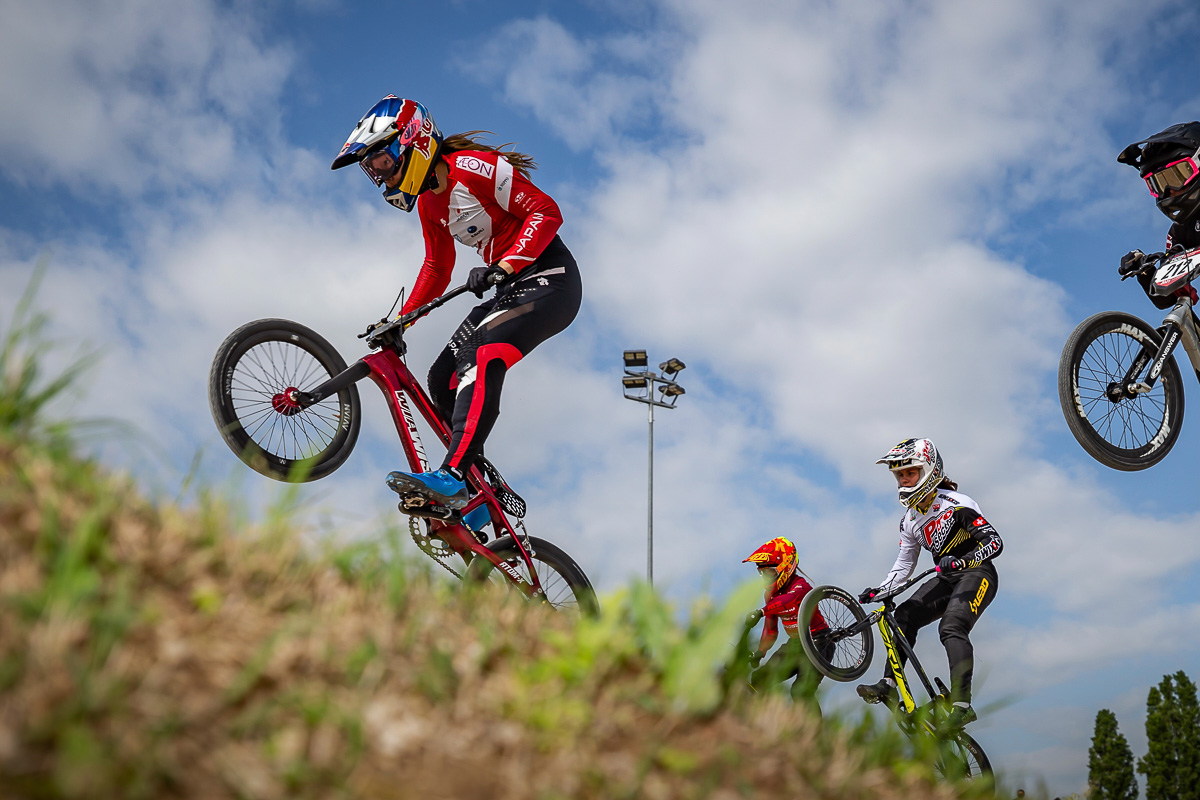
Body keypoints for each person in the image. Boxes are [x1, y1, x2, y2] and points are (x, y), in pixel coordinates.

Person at [331, 96, 582, 514]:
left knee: (479, 354)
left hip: (549, 278)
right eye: (371, 168)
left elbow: (546, 211)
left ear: (412, 139)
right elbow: (436, 268)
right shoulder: (429, 203)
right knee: (442, 377)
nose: (379, 173)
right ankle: (476, 491)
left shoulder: (473, 167)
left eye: (381, 160)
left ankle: (451, 476)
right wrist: (401, 323)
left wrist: (505, 264)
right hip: (510, 285)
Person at [855, 438, 1002, 730]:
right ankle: (888, 683)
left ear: (929, 470)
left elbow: (995, 542)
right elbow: (904, 565)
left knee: (950, 627)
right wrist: (880, 589)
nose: (904, 479)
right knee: (904, 615)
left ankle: (962, 704)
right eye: (899, 475)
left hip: (978, 573)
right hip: (946, 578)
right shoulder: (909, 520)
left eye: (910, 472)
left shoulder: (958, 504)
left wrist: (964, 561)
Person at [1116, 122, 1200, 313]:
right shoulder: (1180, 231)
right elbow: (1165, 300)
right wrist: (1145, 271)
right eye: (1159, 184)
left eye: (1177, 176)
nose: (1169, 191)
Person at [742, 537, 831, 708]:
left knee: (800, 691)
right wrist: (760, 652)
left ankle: (816, 732)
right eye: (762, 573)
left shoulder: (801, 586)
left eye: (769, 572)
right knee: (759, 678)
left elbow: (789, 600)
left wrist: (761, 611)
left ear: (785, 567)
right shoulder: (770, 595)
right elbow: (770, 630)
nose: (765, 577)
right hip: (795, 645)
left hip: (819, 642)